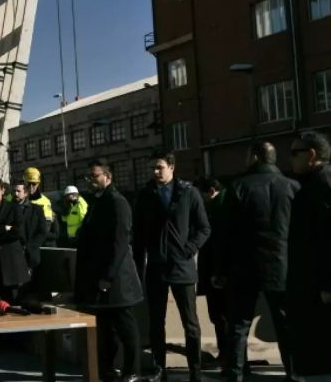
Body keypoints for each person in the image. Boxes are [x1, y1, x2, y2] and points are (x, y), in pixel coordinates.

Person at [220, 142, 299, 382]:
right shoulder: (293, 187)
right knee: (286, 326)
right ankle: (294, 373)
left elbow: (225, 234)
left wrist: (220, 269)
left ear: (255, 157)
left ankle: (235, 374)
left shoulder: (238, 187)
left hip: (245, 267)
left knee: (238, 325)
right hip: (282, 267)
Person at [132, 151, 211, 382]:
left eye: (160, 167)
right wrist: (139, 269)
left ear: (172, 167)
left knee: (191, 323)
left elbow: (204, 228)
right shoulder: (146, 195)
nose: (156, 172)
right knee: (156, 322)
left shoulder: (189, 192)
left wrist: (188, 250)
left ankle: (195, 370)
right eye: (153, 169)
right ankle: (159, 369)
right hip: (156, 268)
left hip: (182, 268)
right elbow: (138, 236)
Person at [74, 159, 143, 382]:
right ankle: (107, 369)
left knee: (125, 327)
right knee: (106, 329)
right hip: (99, 277)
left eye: (94, 176)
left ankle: (132, 371)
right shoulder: (96, 202)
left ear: (108, 177)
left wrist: (108, 276)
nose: (90, 181)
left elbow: (120, 242)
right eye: (88, 177)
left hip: (117, 279)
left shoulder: (117, 202)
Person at [287, 132, 331, 381]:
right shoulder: (313, 184)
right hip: (310, 289)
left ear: (311, 155)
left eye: (295, 153)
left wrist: (328, 284)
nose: (291, 159)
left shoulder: (323, 184)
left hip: (318, 293)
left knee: (319, 363)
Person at [193, 177, 230, 368]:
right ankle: (234, 357)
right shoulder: (226, 205)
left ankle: (227, 355)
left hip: (217, 274)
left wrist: (216, 273)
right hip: (223, 272)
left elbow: (217, 245)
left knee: (220, 316)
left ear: (211, 191)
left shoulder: (217, 209)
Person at [23, 167, 59, 244]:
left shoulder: (45, 201)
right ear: (24, 183)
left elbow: (46, 227)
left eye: (34, 184)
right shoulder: (17, 199)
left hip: (39, 242)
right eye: (28, 183)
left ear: (38, 183)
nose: (31, 187)